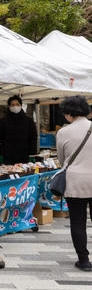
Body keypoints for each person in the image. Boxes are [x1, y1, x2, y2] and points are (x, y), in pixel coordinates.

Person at [56, 96, 92, 271]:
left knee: (78, 221)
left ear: (69, 113)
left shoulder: (64, 132)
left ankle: (84, 260)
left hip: (75, 181)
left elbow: (63, 161)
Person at [0, 95, 37, 165]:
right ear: (9, 106)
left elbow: (33, 138)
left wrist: (32, 154)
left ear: (21, 105)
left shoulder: (28, 121)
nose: (15, 106)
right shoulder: (3, 121)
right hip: (8, 156)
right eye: (13, 105)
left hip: (24, 156)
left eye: (17, 104)